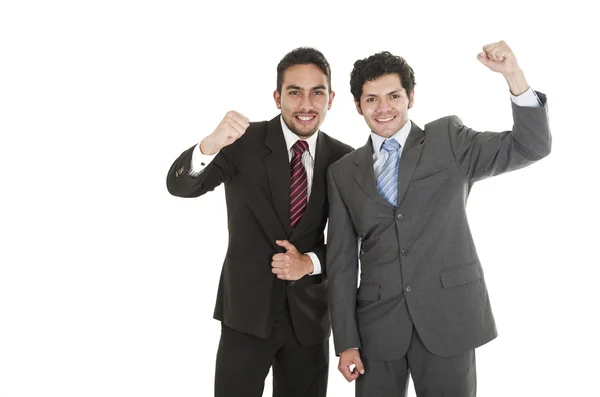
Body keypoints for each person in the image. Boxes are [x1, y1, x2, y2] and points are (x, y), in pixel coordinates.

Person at [326, 41, 551, 396]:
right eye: (372, 99)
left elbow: (530, 146)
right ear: (358, 106)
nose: (384, 109)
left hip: (448, 319)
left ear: (411, 97)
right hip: (377, 331)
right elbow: (339, 263)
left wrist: (513, 75)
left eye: (394, 96)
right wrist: (346, 341)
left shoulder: (447, 139)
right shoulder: (342, 172)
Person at [166, 47, 353, 397]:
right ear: (277, 96)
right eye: (294, 92)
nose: (306, 104)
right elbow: (180, 187)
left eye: (318, 92)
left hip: (309, 321)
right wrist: (209, 145)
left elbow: (356, 241)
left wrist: (309, 263)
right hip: (246, 314)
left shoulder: (346, 160)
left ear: (331, 98)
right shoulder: (242, 142)